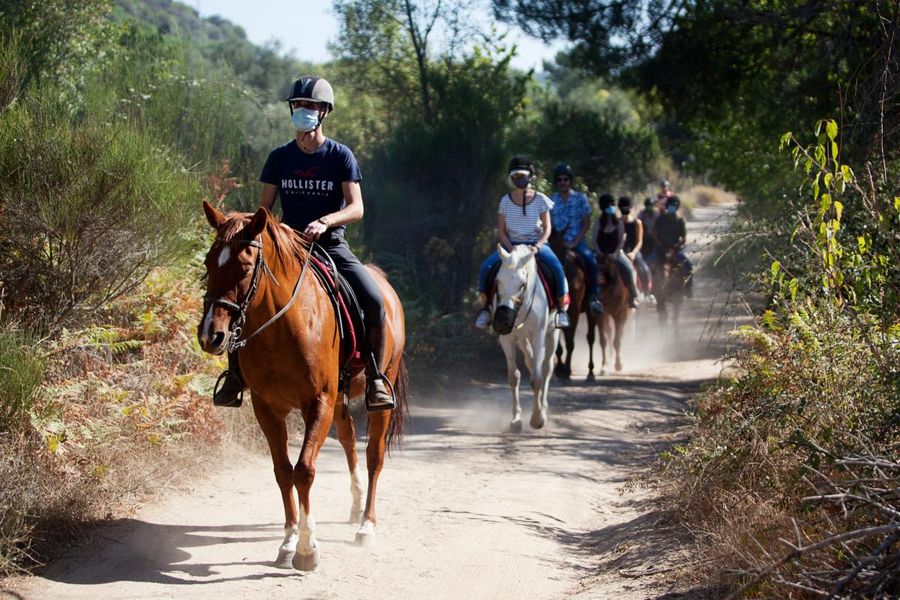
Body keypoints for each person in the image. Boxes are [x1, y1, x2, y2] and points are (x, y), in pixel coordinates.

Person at [214, 75, 394, 412]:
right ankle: (236, 375)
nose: (303, 111)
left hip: (330, 245)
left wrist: (326, 220)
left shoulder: (340, 156)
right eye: (298, 106)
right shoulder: (279, 158)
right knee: (244, 298)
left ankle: (375, 378)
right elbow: (264, 210)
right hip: (285, 246)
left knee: (373, 299)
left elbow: (356, 207)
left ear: (324, 112)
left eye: (310, 106)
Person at [475, 156, 570, 330]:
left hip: (536, 245)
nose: (519, 180)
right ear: (512, 178)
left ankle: (561, 310)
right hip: (511, 246)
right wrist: (512, 250)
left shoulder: (541, 199)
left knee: (557, 269)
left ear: (530, 176)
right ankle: (487, 308)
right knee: (486, 268)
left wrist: (538, 246)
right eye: (515, 177)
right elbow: (502, 231)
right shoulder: (505, 201)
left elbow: (547, 229)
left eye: (523, 176)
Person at [549, 163, 603, 316]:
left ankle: (593, 297)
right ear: (556, 182)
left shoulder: (580, 198)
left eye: (565, 179)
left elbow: (586, 223)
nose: (562, 182)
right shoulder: (551, 200)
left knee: (590, 260)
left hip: (576, 242)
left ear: (570, 181)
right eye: (559, 180)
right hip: (556, 244)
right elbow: (548, 224)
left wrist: (574, 241)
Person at [594, 194, 641, 309]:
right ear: (603, 207)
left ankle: (634, 296)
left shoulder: (618, 223)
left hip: (616, 254)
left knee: (629, 270)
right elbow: (594, 240)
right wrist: (599, 251)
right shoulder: (599, 223)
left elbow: (621, 241)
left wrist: (615, 252)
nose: (611, 207)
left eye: (612, 204)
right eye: (608, 205)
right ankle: (591, 298)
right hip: (601, 255)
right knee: (590, 270)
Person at [650, 195, 694, 297]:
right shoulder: (660, 219)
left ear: (677, 207)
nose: (671, 207)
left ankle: (688, 287)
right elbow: (654, 233)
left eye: (673, 205)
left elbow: (683, 238)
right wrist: (661, 246)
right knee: (650, 265)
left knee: (689, 266)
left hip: (675, 250)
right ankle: (651, 291)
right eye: (669, 205)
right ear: (666, 206)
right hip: (661, 249)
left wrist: (675, 247)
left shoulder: (680, 221)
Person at [618, 196, 652, 296]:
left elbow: (639, 241)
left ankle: (646, 293)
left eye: (627, 208)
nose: (625, 211)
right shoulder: (617, 222)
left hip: (634, 252)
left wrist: (633, 253)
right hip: (620, 252)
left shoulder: (637, 223)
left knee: (644, 269)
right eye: (623, 208)